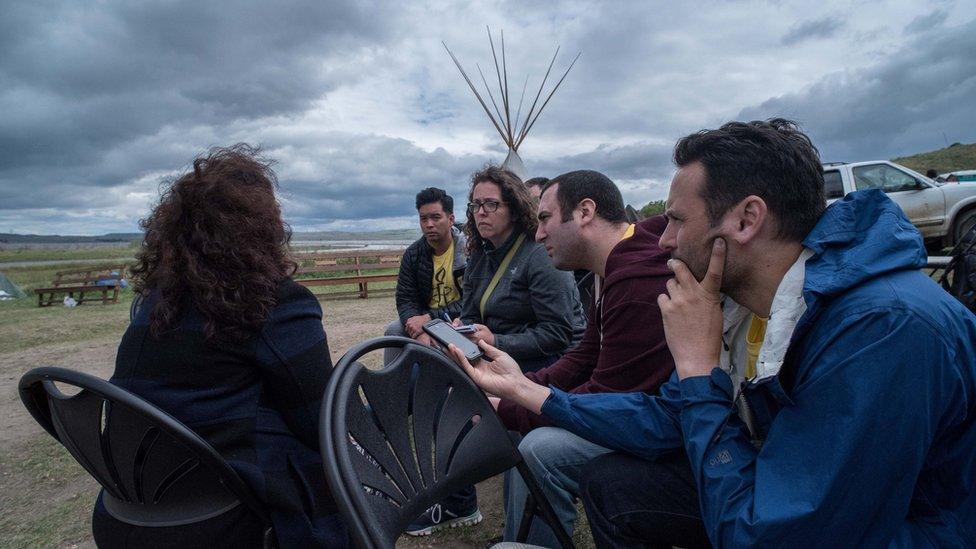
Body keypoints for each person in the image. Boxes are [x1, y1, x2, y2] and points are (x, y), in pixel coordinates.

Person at [446, 119, 976, 547]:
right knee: (616, 485)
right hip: (781, 488)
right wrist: (525, 390)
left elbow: (773, 535)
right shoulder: (747, 303)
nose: (661, 241)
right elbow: (670, 418)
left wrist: (698, 370)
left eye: (676, 220)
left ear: (746, 221)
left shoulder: (883, 329)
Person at [95, 145, 347, 548]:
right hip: (220, 520)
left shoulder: (155, 304)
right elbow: (323, 423)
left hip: (126, 514)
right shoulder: (275, 303)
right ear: (264, 225)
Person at [497, 170, 675, 546]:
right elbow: (584, 357)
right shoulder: (611, 266)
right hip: (647, 417)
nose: (538, 233)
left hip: (672, 439)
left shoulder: (636, 279)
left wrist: (510, 405)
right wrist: (519, 387)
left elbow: (607, 397)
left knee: (538, 449)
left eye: (544, 218)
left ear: (584, 212)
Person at [405, 166, 584, 537]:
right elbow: (470, 313)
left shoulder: (539, 255)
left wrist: (495, 341)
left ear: (515, 208)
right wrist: (460, 330)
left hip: (546, 364)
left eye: (490, 204)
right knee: (432, 375)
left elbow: (558, 333)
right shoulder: (482, 256)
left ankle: (486, 513)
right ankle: (458, 500)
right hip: (493, 357)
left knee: (465, 400)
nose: (481, 213)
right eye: (475, 206)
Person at [383, 187, 466, 364]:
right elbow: (405, 298)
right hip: (425, 319)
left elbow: (472, 299)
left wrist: (429, 320)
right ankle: (392, 388)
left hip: (460, 319)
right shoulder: (413, 254)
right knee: (393, 331)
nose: (429, 224)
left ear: (450, 219)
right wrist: (419, 330)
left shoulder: (469, 250)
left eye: (436, 217)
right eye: (423, 218)